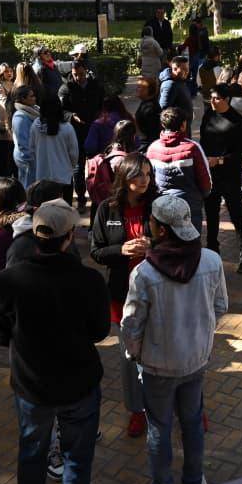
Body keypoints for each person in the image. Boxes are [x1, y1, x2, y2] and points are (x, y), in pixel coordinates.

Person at [0, 199, 111, 484]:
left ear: (34, 235)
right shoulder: (90, 281)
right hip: (79, 385)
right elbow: (99, 332)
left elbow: (2, 334)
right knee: (77, 460)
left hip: (32, 387)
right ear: (69, 237)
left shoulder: (6, 281)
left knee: (32, 455)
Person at [121, 196, 228, 484]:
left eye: (152, 222)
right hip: (196, 360)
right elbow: (220, 307)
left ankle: (163, 483)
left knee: (160, 427)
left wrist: (137, 354)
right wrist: (201, 338)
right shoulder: (211, 260)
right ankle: (194, 480)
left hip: (157, 366)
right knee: (192, 422)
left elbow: (131, 325)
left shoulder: (144, 273)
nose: (149, 225)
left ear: (162, 230)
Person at [90, 153, 157, 439]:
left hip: (157, 292)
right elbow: (96, 250)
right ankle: (136, 411)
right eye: (138, 174)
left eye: (148, 174)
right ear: (125, 177)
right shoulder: (107, 209)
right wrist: (122, 251)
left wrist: (152, 245)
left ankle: (173, 405)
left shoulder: (158, 205)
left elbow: (177, 241)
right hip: (122, 294)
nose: (145, 180)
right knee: (129, 357)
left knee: (159, 350)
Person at [200, 84, 242, 272]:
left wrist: (221, 160)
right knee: (212, 215)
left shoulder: (238, 122)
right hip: (211, 175)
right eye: (211, 98)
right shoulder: (208, 115)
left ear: (227, 99)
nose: (212, 101)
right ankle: (213, 253)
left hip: (230, 176)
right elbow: (203, 142)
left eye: (216, 98)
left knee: (237, 215)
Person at [146, 106, 212, 236]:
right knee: (190, 243)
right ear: (183, 125)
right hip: (189, 205)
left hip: (162, 204)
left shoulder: (153, 148)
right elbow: (205, 180)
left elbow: (149, 179)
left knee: (165, 242)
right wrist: (202, 196)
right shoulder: (193, 148)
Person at [59, 61, 105, 209]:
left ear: (86, 71)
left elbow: (102, 105)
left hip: (93, 130)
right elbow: (61, 110)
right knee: (78, 167)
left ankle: (97, 194)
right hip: (75, 132)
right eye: (75, 74)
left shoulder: (95, 86)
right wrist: (71, 116)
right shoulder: (65, 89)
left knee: (95, 164)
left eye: (81, 74)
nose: (78, 77)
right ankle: (80, 197)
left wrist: (100, 116)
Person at [32, 96, 80, 203]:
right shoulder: (67, 128)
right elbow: (74, 154)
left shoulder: (36, 126)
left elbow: (32, 149)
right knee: (65, 210)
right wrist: (70, 167)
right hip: (64, 177)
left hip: (42, 176)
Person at [12, 85, 41, 189]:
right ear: (23, 99)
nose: (35, 98)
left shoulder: (34, 110)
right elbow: (23, 144)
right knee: (28, 187)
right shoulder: (20, 117)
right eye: (31, 96)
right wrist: (30, 160)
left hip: (33, 157)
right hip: (27, 159)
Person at [0, 63, 17, 177]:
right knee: (3, 164)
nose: (9, 73)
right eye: (6, 71)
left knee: (13, 163)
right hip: (2, 128)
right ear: (1, 73)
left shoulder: (14, 84)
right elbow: (4, 103)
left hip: (13, 127)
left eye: (11, 71)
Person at [159, 56, 194, 135]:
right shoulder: (170, 85)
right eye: (184, 69)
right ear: (174, 69)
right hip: (177, 130)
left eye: (187, 69)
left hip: (184, 126)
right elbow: (164, 109)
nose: (187, 71)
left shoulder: (180, 80)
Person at [135, 76, 163, 149]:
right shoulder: (146, 103)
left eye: (140, 87)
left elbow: (153, 133)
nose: (137, 89)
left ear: (149, 90)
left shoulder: (150, 109)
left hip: (147, 147)